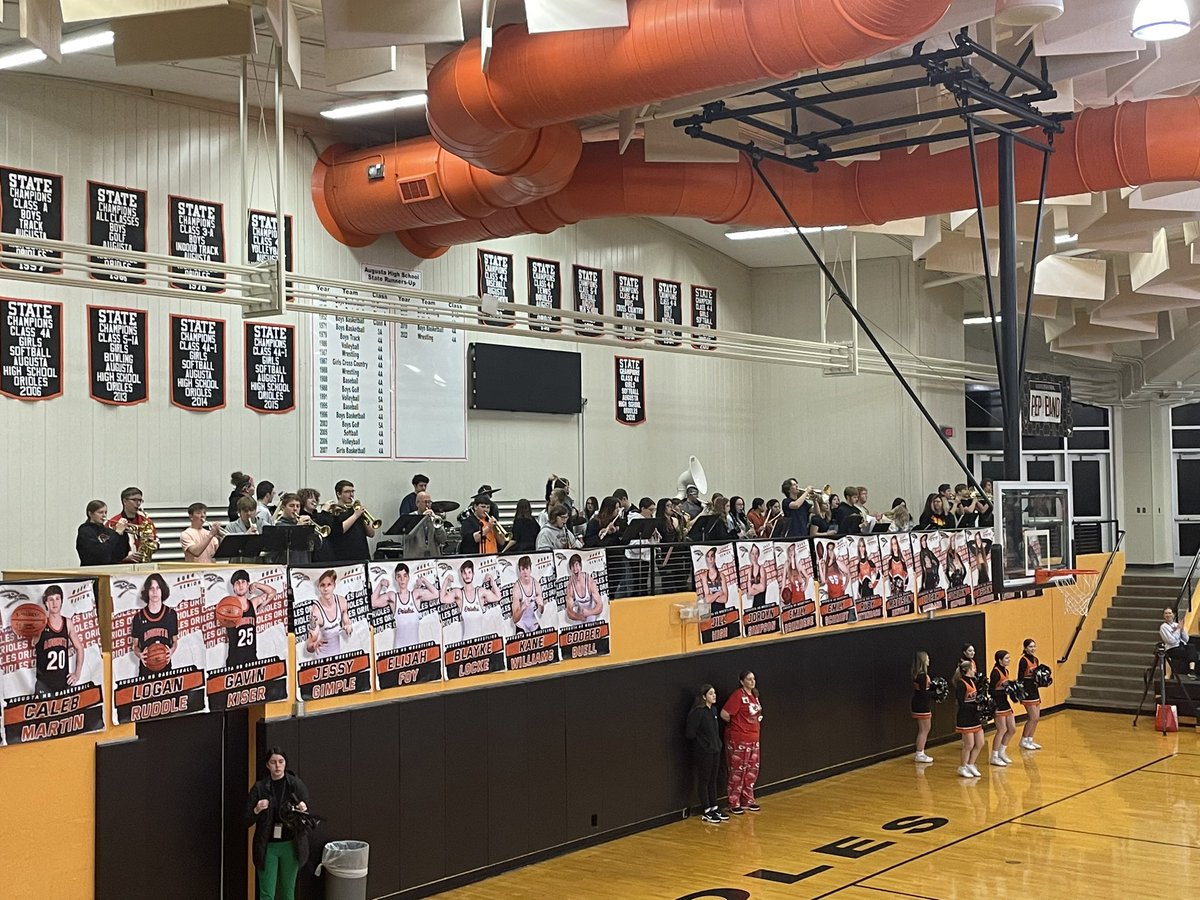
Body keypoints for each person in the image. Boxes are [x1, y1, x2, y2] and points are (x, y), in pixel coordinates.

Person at [246, 747, 310, 900]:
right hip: (268, 846)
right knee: (267, 893)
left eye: (281, 762)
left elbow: (306, 812)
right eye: (273, 762)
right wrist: (256, 809)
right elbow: (246, 819)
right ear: (267, 765)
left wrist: (302, 808)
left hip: (291, 844)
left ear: (285, 763)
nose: (277, 766)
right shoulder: (260, 787)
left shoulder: (294, 784)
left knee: (288, 891)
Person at [720, 670, 763, 814]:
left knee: (751, 771)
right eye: (749, 679)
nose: (752, 681)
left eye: (753, 679)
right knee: (738, 771)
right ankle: (734, 802)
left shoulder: (755, 696)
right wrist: (737, 726)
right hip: (739, 739)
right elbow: (725, 714)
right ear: (742, 681)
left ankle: (747, 799)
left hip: (754, 738)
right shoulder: (738, 695)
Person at [371, 563, 439, 649]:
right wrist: (380, 584)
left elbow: (436, 594)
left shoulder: (415, 595)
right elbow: (373, 602)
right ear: (396, 578)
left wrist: (424, 580)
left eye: (405, 576)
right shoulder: (393, 597)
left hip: (415, 649)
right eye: (399, 576)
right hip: (399, 649)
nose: (402, 579)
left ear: (408, 578)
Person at [686, 684, 726, 824]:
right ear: (704, 696)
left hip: (715, 749)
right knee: (704, 780)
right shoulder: (698, 712)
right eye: (710, 694)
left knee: (713, 779)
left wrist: (717, 744)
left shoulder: (713, 710)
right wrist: (704, 744)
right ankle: (707, 809)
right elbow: (690, 733)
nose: (714, 695)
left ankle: (714, 806)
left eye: (714, 693)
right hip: (704, 751)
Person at [34, 584, 85, 694]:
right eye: (51, 599)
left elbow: (79, 648)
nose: (54, 603)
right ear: (46, 603)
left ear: (62, 601)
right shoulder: (40, 624)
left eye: (57, 598)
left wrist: (77, 673)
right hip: (44, 684)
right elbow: (32, 644)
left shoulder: (68, 623)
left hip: (63, 683)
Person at [222, 570, 278, 668]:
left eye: (243, 582)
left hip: (251, 660)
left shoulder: (253, 603)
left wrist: (257, 585)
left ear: (248, 584)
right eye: (237, 582)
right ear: (233, 587)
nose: (240, 585)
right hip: (234, 662)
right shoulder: (229, 607)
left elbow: (272, 592)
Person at [131, 573, 178, 677]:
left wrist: (171, 651)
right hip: (146, 669)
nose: (155, 592)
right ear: (147, 592)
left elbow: (175, 641)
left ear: (162, 590)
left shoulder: (171, 614)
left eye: (158, 588)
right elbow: (135, 646)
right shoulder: (138, 617)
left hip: (166, 668)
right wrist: (140, 655)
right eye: (151, 589)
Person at [442, 559, 500, 640]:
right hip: (467, 641)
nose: (467, 575)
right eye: (464, 573)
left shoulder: (480, 592)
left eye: (469, 572)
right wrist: (446, 580)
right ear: (461, 575)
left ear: (473, 574)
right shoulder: (459, 593)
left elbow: (498, 597)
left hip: (481, 641)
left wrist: (492, 581)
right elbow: (443, 599)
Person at [305, 570, 352, 658]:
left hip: (338, 656)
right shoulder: (316, 613)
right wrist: (314, 645)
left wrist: (348, 626)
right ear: (318, 587)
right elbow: (309, 646)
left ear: (334, 585)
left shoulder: (342, 602)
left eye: (329, 585)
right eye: (322, 585)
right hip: (322, 659)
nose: (326, 589)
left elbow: (347, 622)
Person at [326, 480, 376, 562]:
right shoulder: (335, 511)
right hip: (345, 557)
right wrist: (355, 516)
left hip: (363, 556)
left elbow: (371, 534)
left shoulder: (356, 510)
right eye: (347, 492)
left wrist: (364, 516)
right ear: (339, 494)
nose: (351, 494)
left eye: (352, 491)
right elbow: (339, 531)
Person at [106, 486, 157, 563]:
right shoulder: (113, 522)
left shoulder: (146, 522)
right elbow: (107, 548)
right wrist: (124, 557)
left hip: (143, 564)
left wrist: (151, 541)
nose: (138, 503)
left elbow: (156, 542)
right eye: (134, 500)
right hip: (121, 566)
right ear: (125, 501)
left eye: (140, 500)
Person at [270, 493, 324, 565]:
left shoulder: (302, 524)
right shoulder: (279, 525)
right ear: (283, 508)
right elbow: (287, 546)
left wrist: (311, 531)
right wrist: (299, 527)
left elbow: (316, 546)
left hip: (305, 563)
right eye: (291, 506)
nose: (295, 509)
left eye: (298, 506)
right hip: (288, 565)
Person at [954, 659, 985, 778]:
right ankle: (962, 767)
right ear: (967, 670)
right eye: (973, 669)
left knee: (980, 742)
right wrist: (975, 707)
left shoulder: (973, 682)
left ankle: (971, 764)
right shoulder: (961, 684)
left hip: (974, 717)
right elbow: (961, 703)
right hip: (965, 717)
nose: (975, 670)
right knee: (969, 745)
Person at [76, 499, 130, 565]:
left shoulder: (108, 531)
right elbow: (100, 553)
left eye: (105, 512)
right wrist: (117, 533)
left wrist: (123, 534)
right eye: (100, 512)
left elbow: (120, 555)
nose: (104, 515)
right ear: (90, 513)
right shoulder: (85, 530)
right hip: (91, 570)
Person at [989, 650, 1016, 767]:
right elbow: (991, 691)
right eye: (1006, 658)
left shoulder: (1005, 670)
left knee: (1012, 729)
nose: (1009, 660)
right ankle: (994, 756)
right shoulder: (995, 673)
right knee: (1001, 730)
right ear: (1000, 660)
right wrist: (1004, 689)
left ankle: (1001, 752)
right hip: (998, 704)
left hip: (1005, 702)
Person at [404, 491, 449, 560]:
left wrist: (437, 527)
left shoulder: (435, 518)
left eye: (429, 502)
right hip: (414, 559)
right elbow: (407, 537)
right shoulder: (409, 518)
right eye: (425, 502)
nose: (427, 505)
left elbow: (442, 540)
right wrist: (421, 519)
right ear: (417, 503)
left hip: (433, 558)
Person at [1017, 638, 1043, 750]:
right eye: (1030, 647)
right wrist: (1021, 693)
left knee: (1037, 717)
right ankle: (1023, 740)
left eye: (1034, 646)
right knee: (1032, 717)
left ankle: (1030, 740)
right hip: (1027, 691)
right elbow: (1020, 678)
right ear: (1025, 648)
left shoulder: (1036, 660)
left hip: (1035, 690)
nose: (1032, 649)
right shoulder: (1023, 660)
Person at [509, 556, 546, 635]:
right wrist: (522, 608)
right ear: (519, 571)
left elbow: (541, 612)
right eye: (522, 569)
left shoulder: (536, 584)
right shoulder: (517, 589)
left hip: (532, 622)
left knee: (543, 642)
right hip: (521, 624)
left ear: (530, 569)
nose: (525, 572)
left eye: (527, 569)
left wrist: (541, 605)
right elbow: (515, 619)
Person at [564, 554, 605, 623]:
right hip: (579, 616)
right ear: (570, 569)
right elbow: (569, 611)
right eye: (572, 566)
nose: (575, 569)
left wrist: (589, 612)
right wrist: (580, 617)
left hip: (591, 614)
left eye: (576, 565)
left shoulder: (589, 581)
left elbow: (600, 606)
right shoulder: (570, 586)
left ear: (580, 567)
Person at [911, 650, 935, 763]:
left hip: (918, 703)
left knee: (924, 729)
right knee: (924, 730)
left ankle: (920, 752)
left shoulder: (918, 674)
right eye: (927, 658)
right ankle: (919, 753)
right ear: (923, 660)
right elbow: (923, 693)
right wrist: (934, 693)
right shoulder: (922, 675)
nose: (929, 660)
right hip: (921, 704)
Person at [1160, 607, 1198, 679]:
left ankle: (1192, 670)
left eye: (1170, 613)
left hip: (1181, 645)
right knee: (1187, 651)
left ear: (1173, 615)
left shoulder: (1176, 624)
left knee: (1191, 646)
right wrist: (1178, 629)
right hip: (1172, 648)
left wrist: (1182, 629)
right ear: (1164, 616)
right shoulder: (1163, 627)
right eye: (1166, 613)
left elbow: (1186, 639)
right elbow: (1171, 641)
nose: (1168, 615)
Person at [697, 546, 729, 612]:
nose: (710, 559)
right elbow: (707, 600)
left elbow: (725, 599)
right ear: (706, 559)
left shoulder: (721, 575)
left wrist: (712, 596)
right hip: (710, 611)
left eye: (712, 556)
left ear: (715, 558)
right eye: (708, 556)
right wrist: (718, 594)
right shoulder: (704, 576)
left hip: (722, 611)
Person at [743, 543, 768, 608]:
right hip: (754, 605)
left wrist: (754, 586)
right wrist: (758, 587)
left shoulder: (761, 569)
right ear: (750, 555)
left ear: (758, 555)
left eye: (756, 553)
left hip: (762, 603)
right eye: (752, 553)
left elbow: (762, 588)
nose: (754, 556)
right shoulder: (750, 571)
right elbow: (750, 592)